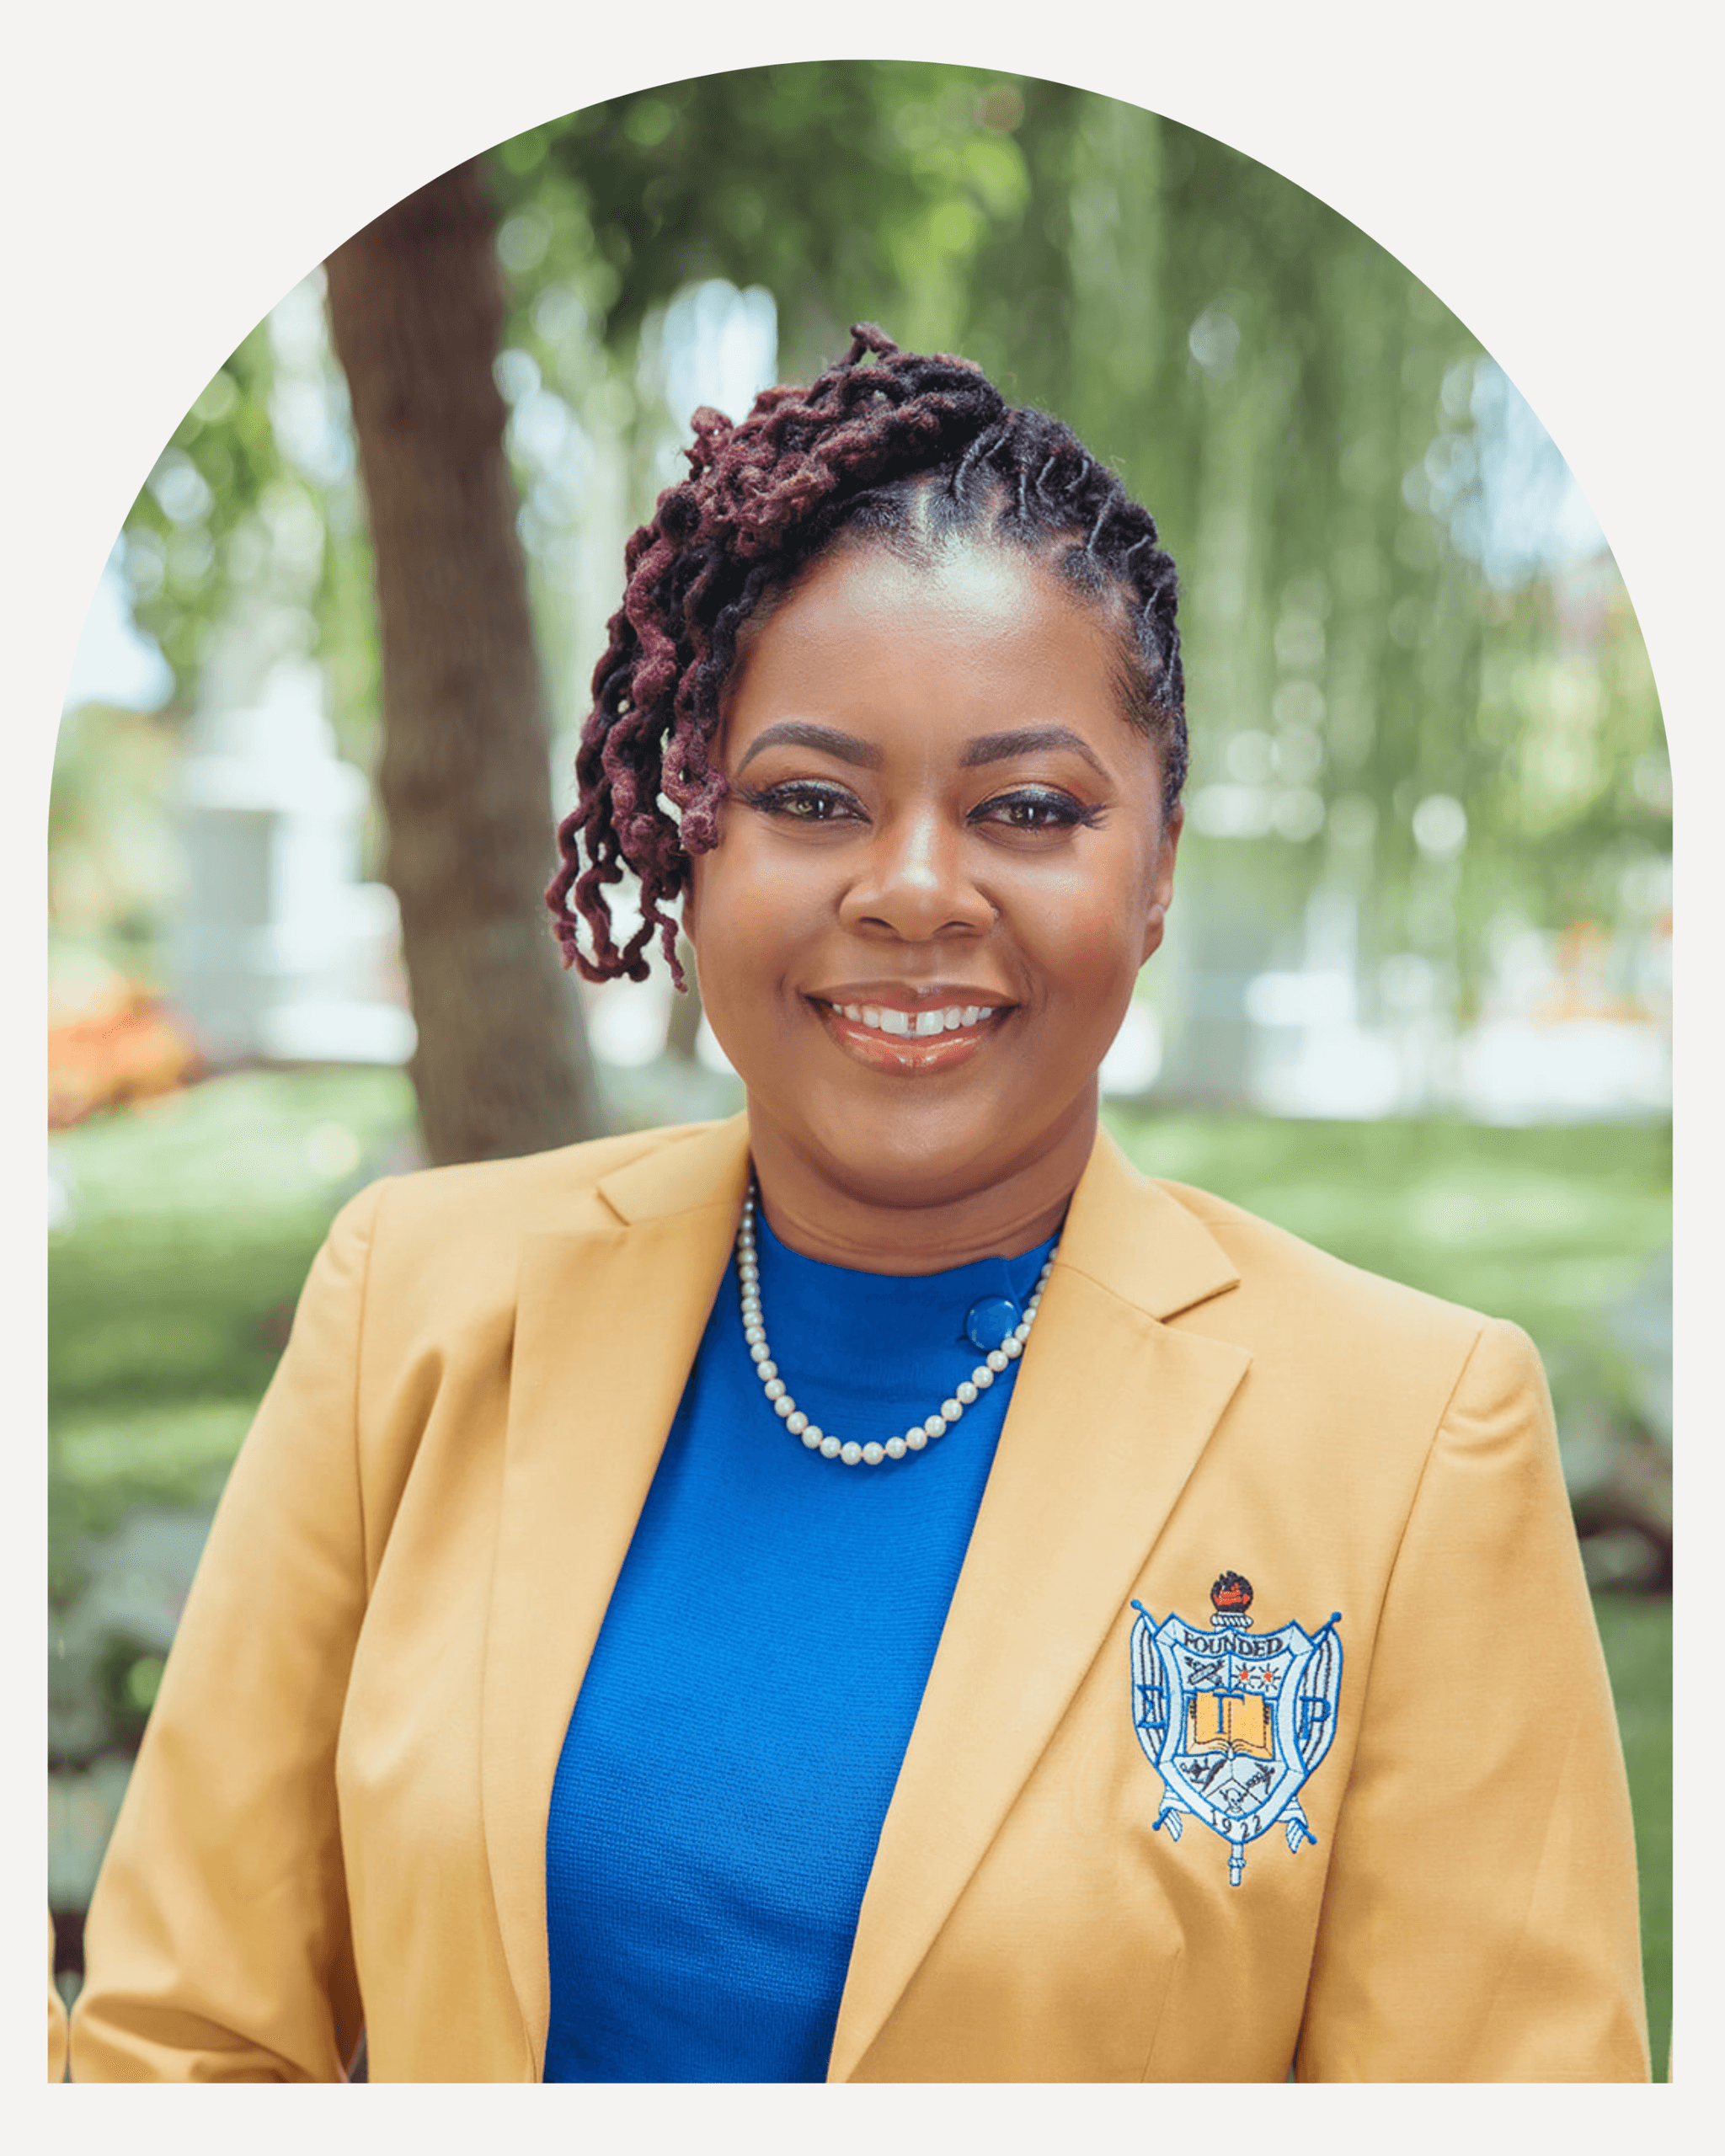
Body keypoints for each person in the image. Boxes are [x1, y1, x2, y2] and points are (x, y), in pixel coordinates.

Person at [69, 327, 1649, 2083]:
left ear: (1157, 873)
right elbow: (185, 2046)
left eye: (1028, 809)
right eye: (811, 798)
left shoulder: (1408, 1439)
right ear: (692, 840)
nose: (911, 890)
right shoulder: (418, 1309)